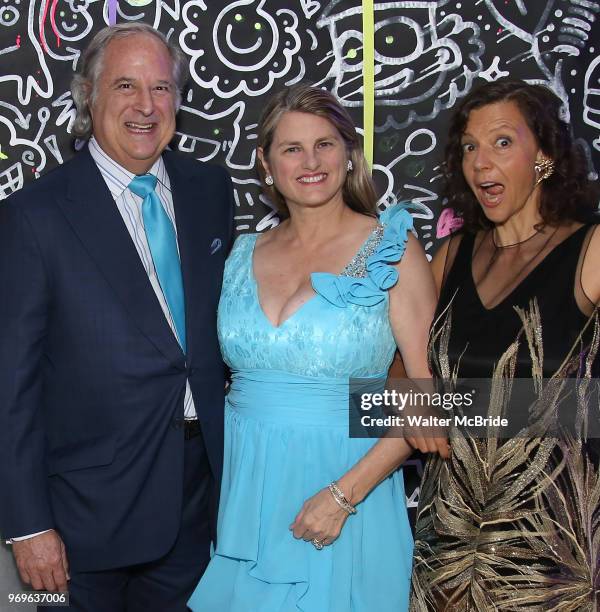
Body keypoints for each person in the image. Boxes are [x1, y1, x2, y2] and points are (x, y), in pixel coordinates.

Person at [188, 84, 448, 612]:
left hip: (347, 487)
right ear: (266, 163)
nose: (311, 161)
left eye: (325, 144)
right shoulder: (240, 252)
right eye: (291, 148)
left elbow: (431, 401)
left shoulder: (391, 246)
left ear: (348, 154)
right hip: (246, 493)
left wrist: (342, 496)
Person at [0, 23, 233, 611]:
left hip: (198, 499)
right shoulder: (34, 216)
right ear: (88, 96)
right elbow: (11, 385)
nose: (146, 106)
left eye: (161, 88)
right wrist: (27, 524)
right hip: (83, 517)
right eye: (126, 85)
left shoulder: (209, 191)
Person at [410, 78, 600, 609]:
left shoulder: (590, 249)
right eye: (470, 147)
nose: (480, 161)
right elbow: (397, 373)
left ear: (544, 156)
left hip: (546, 557)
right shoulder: (450, 255)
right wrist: (411, 401)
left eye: (501, 142)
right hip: (446, 544)